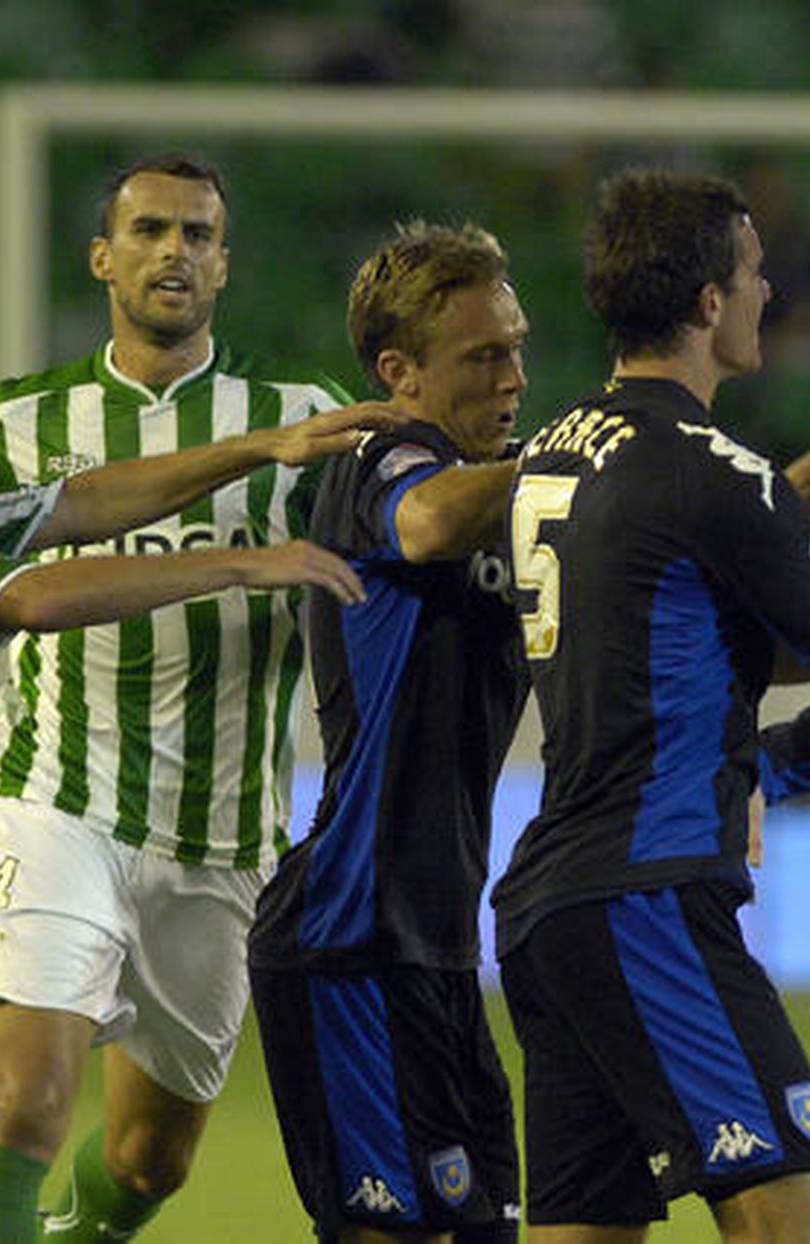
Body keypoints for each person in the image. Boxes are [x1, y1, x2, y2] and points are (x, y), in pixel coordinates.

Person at [0, 271, 378, 1244]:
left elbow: (67, 507)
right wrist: (244, 562)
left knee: (153, 1148)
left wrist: (258, 449)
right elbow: (36, 596)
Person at [491, 167, 810, 1242]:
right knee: (798, 1225)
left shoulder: (560, 447)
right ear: (710, 302)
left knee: (585, 1228)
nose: (772, 290)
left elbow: (705, 603)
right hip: (649, 891)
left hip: (549, 905)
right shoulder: (712, 467)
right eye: (756, 273)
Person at [0, 154, 361, 1243]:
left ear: (223, 265)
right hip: (55, 803)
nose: (174, 250)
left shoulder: (301, 420)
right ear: (102, 255)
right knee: (26, 1103)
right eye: (150, 229)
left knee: (148, 1157)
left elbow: (402, 542)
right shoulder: (15, 425)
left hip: (224, 836)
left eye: (197, 235)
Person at [246, 221, 530, 1242]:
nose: (513, 376)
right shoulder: (385, 453)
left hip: (437, 945)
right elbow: (424, 524)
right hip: (346, 933)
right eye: (484, 355)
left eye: (517, 347)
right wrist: (564, 453)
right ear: (398, 371)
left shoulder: (504, 493)